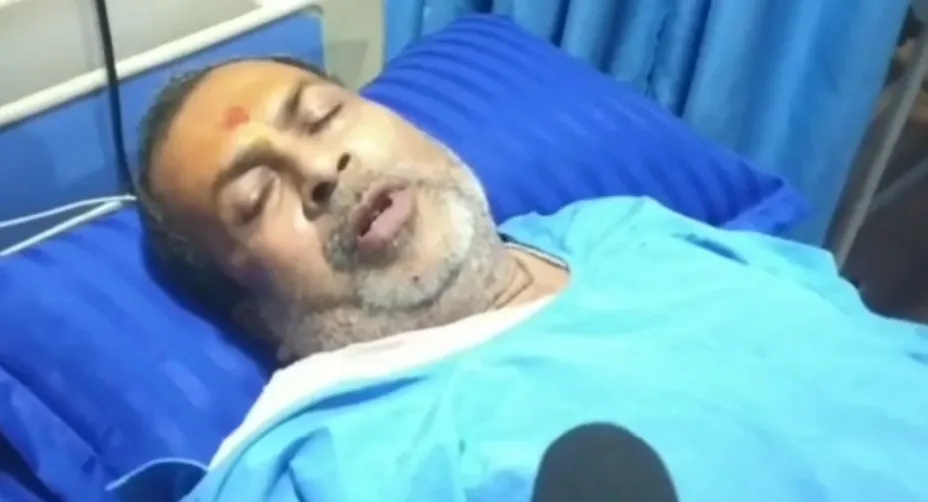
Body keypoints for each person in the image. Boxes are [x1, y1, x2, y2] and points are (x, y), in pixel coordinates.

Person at [131, 56, 928, 502]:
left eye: (321, 116)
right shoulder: (311, 467)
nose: (320, 168)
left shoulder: (624, 228)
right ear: (257, 318)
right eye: (256, 200)